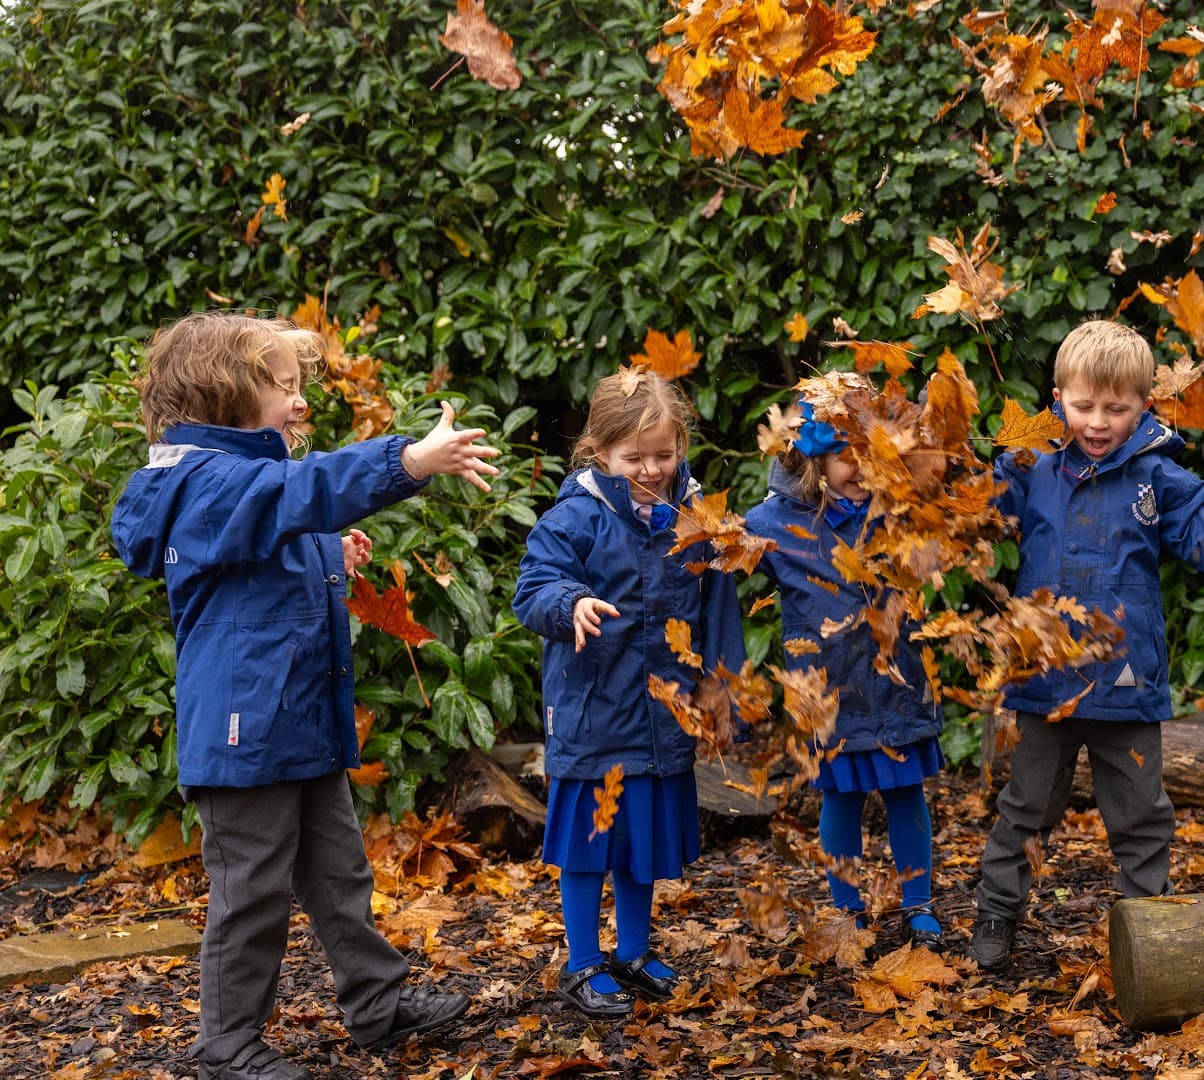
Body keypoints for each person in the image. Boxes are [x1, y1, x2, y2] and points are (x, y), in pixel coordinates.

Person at [111, 311, 498, 1080]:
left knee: (339, 873)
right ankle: (226, 1046)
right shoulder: (203, 480)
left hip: (296, 717)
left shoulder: (242, 480)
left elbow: (282, 518)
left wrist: (328, 548)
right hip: (242, 730)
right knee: (251, 893)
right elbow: (298, 493)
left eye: (297, 386)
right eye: (281, 388)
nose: (298, 403)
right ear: (222, 395)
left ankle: (377, 1007)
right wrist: (408, 461)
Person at [968, 319, 1204, 971]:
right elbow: (974, 518)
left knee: (1141, 818)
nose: (1096, 421)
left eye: (1115, 409)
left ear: (1143, 407)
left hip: (1126, 684)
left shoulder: (1157, 477)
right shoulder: (1028, 466)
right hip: (1044, 682)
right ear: (1057, 396)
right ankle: (997, 916)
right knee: (1023, 810)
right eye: (1083, 405)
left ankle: (1149, 935)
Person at [512, 368, 745, 1018]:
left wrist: (722, 688)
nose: (649, 469)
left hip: (661, 713)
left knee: (640, 842)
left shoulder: (696, 519)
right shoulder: (575, 517)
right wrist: (573, 602)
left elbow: (718, 609)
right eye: (633, 457)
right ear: (600, 452)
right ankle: (583, 963)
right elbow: (532, 589)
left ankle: (634, 951)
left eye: (662, 456)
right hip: (594, 713)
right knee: (590, 845)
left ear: (680, 449)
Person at [744, 392, 947, 951]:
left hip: (899, 680)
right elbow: (715, 548)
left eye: (867, 451)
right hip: (830, 693)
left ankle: (918, 903)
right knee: (841, 801)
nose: (857, 466)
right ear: (814, 463)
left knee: (907, 794)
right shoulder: (777, 524)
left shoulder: (903, 509)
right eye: (842, 455)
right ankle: (846, 907)